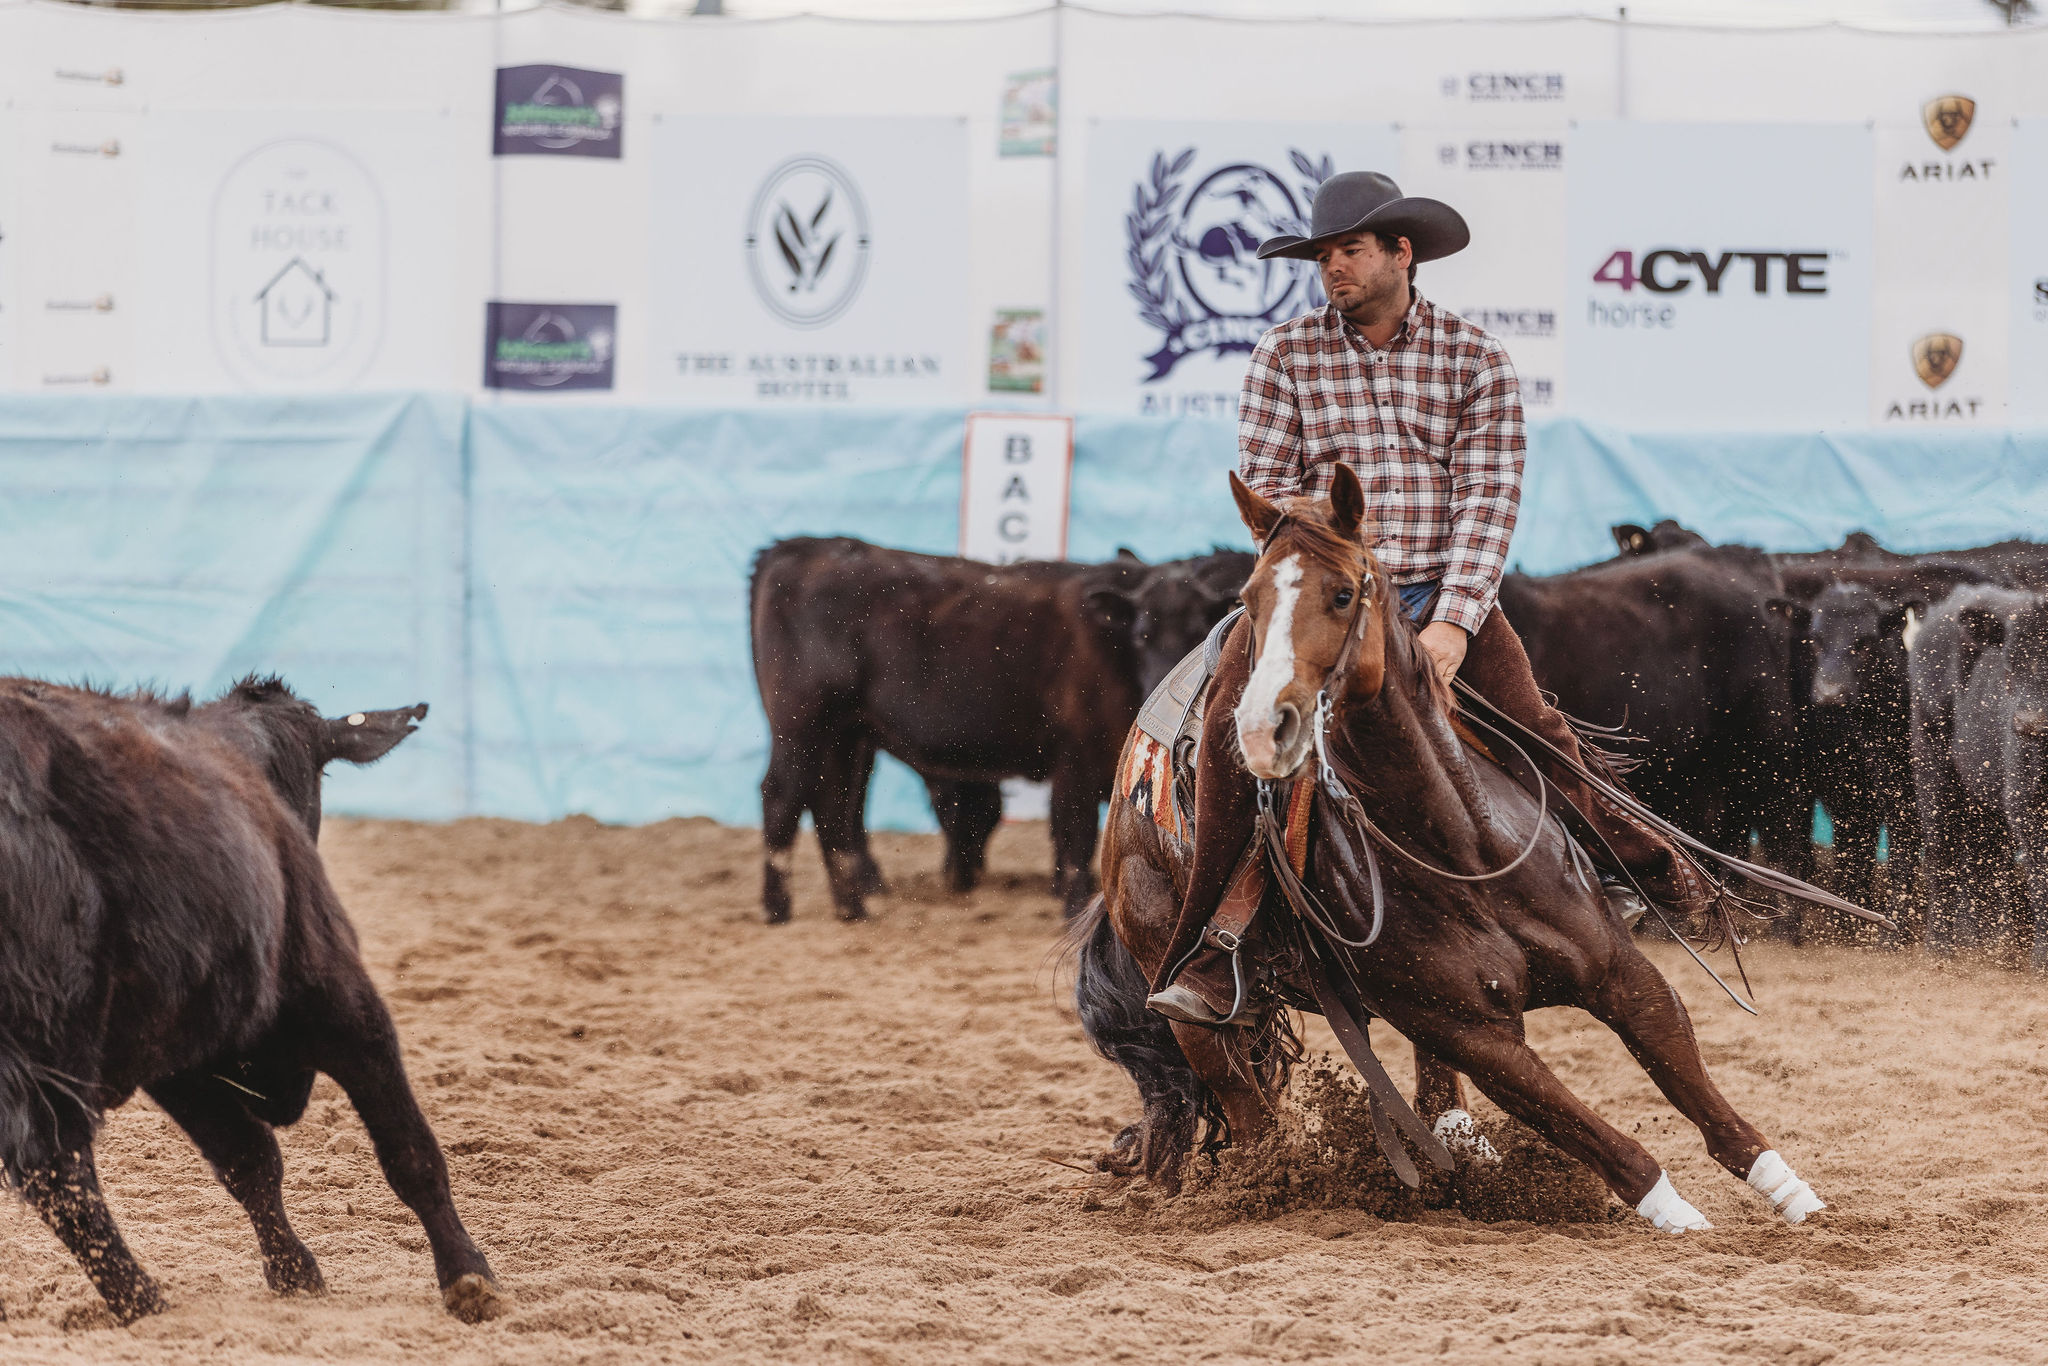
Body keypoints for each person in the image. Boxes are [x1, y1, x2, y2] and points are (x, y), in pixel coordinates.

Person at [1145, 170, 1714, 1027]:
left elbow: (1488, 499)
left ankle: (1634, 869)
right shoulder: (1283, 354)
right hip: (1322, 596)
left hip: (1436, 589)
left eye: (1350, 251)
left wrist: (1453, 621)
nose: (1334, 269)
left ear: (1401, 253)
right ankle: (1212, 951)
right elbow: (1269, 495)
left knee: (1535, 728)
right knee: (1236, 733)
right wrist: (1320, 584)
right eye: (1324, 257)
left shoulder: (1474, 357)